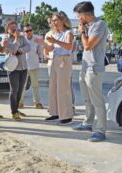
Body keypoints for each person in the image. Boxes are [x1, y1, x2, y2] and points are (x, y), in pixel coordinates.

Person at [72, 1, 109, 142]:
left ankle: (100, 130)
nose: (78, 18)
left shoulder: (100, 24)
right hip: (85, 66)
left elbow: (87, 45)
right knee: (87, 99)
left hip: (94, 67)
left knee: (97, 100)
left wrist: (82, 31)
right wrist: (83, 30)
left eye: (78, 15)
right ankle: (88, 123)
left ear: (83, 15)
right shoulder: (90, 26)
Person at [44, 11, 74, 125]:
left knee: (63, 89)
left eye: (55, 20)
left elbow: (69, 46)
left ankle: (67, 115)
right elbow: (50, 49)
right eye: (52, 20)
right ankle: (55, 112)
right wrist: (44, 44)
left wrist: (55, 41)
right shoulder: (55, 34)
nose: (53, 22)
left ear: (62, 20)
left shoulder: (68, 33)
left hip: (64, 60)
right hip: (55, 60)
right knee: (53, 88)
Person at [4, 21, 30, 120]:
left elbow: (28, 47)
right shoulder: (6, 39)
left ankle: (16, 109)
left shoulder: (23, 37)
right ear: (8, 30)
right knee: (14, 90)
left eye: (16, 28)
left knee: (20, 90)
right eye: (12, 29)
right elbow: (12, 50)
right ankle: (13, 111)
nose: (15, 30)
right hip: (13, 68)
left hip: (24, 67)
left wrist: (20, 50)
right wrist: (15, 38)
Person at [19, 24, 44, 109]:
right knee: (22, 85)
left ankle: (37, 102)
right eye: (27, 31)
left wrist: (42, 48)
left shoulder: (36, 39)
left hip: (34, 65)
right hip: (24, 66)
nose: (29, 32)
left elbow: (40, 52)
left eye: (30, 30)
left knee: (35, 85)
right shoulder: (21, 40)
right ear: (24, 32)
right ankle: (20, 102)